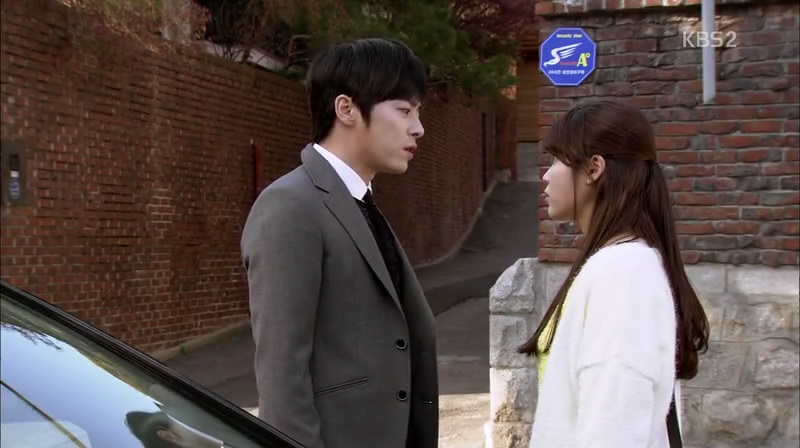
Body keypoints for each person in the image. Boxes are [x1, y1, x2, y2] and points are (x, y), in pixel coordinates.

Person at [241, 38, 438, 448]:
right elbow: (282, 375)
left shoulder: (360, 203)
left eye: (417, 112)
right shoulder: (291, 206)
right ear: (346, 109)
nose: (418, 127)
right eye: (404, 110)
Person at [518, 100, 709, 447]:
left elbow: (615, 427)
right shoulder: (622, 264)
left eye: (557, 159)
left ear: (594, 168)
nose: (546, 175)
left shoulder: (622, 273)